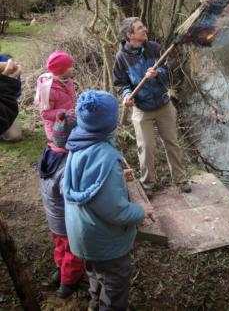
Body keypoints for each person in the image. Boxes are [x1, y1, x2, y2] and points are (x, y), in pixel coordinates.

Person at [63, 90, 154, 311]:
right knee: (114, 285)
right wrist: (141, 210)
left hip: (81, 235)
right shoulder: (105, 156)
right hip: (105, 243)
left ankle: (94, 305)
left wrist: (117, 180)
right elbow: (116, 212)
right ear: (109, 122)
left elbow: (88, 181)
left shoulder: (77, 141)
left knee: (95, 274)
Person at [113, 17, 191, 198]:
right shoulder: (121, 57)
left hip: (164, 105)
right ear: (129, 35)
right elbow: (119, 83)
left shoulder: (154, 48)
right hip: (142, 109)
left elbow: (169, 70)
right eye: (140, 28)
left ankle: (180, 179)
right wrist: (126, 95)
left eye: (144, 26)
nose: (145, 29)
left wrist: (157, 74)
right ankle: (148, 184)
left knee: (172, 143)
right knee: (146, 147)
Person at [37, 112, 85, 298]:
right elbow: (71, 196)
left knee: (59, 246)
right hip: (66, 222)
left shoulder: (48, 154)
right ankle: (68, 283)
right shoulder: (66, 167)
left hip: (53, 219)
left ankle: (59, 271)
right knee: (74, 252)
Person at [35, 51, 75, 141]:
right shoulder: (48, 89)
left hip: (68, 123)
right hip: (56, 130)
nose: (73, 69)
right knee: (62, 152)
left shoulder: (68, 81)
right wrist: (65, 112)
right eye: (70, 67)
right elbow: (44, 113)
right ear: (61, 70)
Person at [0, 53, 22, 141]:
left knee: (14, 136)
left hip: (3, 108)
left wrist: (6, 80)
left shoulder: (4, 60)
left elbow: (15, 94)